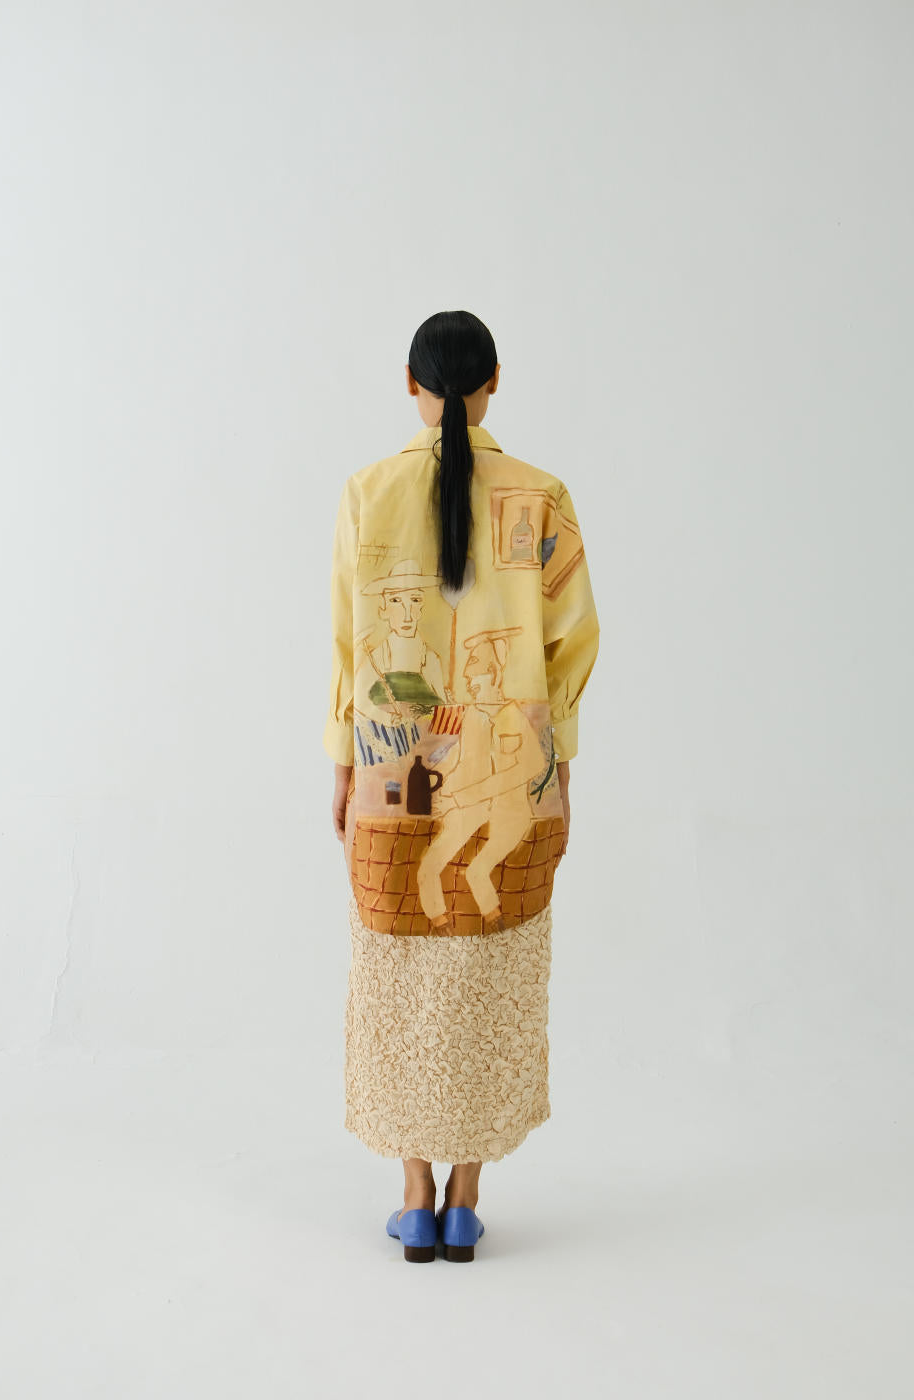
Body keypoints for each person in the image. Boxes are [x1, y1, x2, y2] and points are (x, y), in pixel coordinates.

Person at [323, 310, 600, 1262]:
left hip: (391, 773)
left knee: (393, 972)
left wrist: (344, 762)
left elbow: (347, 650)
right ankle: (466, 1196)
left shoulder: (367, 493)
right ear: (494, 382)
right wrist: (559, 759)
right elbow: (571, 645)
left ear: (411, 384)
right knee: (495, 967)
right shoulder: (543, 495)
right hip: (518, 773)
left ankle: (413, 1195)